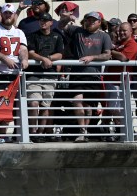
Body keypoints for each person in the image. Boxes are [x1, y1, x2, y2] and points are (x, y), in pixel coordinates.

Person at [0, 3, 29, 143]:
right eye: (6, 13)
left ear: (14, 14)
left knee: (9, 105)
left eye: (10, 13)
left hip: (13, 73)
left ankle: (3, 134)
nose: (8, 16)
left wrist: (25, 59)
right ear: (2, 14)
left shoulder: (19, 32)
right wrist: (5, 59)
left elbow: (22, 49)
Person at [65, 11, 112, 142]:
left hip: (93, 75)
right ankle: (81, 130)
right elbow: (60, 25)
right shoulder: (77, 31)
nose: (90, 22)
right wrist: (67, 17)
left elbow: (107, 55)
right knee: (76, 101)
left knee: (88, 106)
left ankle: (84, 132)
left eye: (93, 20)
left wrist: (92, 57)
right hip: (77, 74)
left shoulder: (104, 36)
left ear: (99, 22)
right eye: (88, 19)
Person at [25, 13, 65, 142]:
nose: (43, 22)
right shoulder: (32, 36)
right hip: (33, 75)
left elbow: (60, 54)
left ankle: (40, 133)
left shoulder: (57, 36)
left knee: (45, 106)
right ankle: (33, 132)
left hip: (50, 75)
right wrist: (43, 59)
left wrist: (49, 59)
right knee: (33, 103)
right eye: (41, 20)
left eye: (46, 20)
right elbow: (30, 53)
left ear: (51, 23)